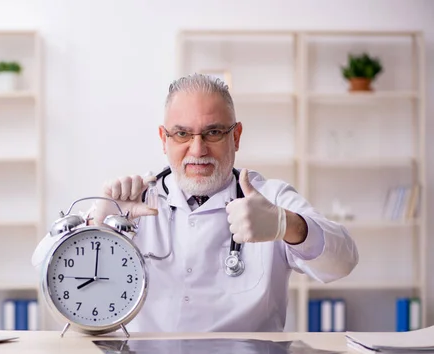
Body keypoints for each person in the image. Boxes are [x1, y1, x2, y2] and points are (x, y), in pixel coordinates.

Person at [32, 73, 359, 332]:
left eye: (213, 132)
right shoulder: (132, 199)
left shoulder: (269, 200)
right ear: (164, 139)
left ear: (236, 136)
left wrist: (287, 225)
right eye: (182, 134)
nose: (198, 149)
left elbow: (342, 261)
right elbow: (41, 263)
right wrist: (95, 224)